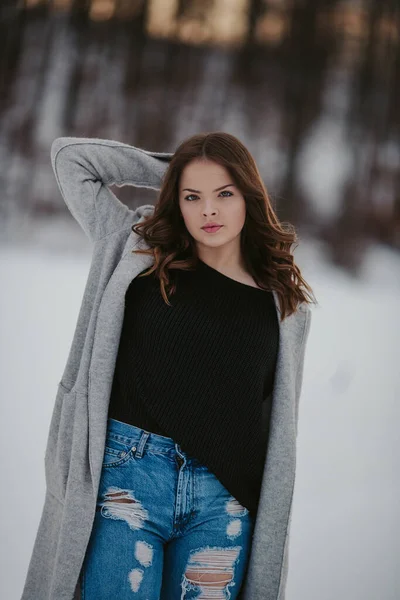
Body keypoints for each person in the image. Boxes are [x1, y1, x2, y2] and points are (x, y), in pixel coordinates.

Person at [21, 131, 315, 600]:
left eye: (225, 193)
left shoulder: (282, 301)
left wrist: (199, 174)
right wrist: (177, 169)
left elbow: (275, 421)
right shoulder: (137, 250)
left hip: (223, 501)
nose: (209, 211)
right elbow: (71, 160)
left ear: (249, 194)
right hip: (128, 480)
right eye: (192, 197)